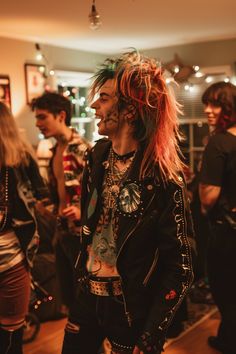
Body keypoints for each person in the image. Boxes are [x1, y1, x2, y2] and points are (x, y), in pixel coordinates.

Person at [62, 50, 195, 354]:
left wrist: (150, 337)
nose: (94, 105)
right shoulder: (95, 157)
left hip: (130, 308)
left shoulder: (163, 177)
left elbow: (182, 267)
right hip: (87, 295)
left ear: (131, 110)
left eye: (104, 98)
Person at [31, 92, 90, 310]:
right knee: (70, 301)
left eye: (42, 117)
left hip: (80, 235)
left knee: (84, 300)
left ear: (61, 115)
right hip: (62, 232)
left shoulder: (81, 149)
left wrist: (82, 211)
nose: (38, 124)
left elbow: (103, 192)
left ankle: (92, 344)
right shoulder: (55, 149)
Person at [0, 102, 48, 353]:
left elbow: (43, 197)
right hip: (13, 259)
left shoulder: (21, 159)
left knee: (10, 336)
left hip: (12, 261)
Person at [199, 82, 236, 354]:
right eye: (206, 104)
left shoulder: (219, 141)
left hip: (227, 233)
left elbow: (208, 196)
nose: (208, 111)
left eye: (215, 105)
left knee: (225, 291)